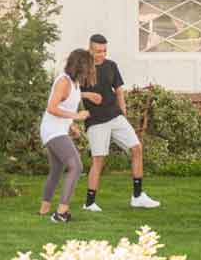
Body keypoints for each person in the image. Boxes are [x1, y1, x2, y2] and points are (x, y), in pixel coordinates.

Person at [82, 34, 160, 211]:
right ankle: (89, 203)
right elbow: (69, 92)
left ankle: (138, 196)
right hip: (95, 121)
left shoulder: (111, 66)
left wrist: (123, 112)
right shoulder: (81, 68)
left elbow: (118, 90)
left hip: (115, 116)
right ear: (90, 49)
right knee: (99, 159)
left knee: (136, 148)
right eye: (98, 51)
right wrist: (86, 95)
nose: (101, 54)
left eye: (104, 51)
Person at [40, 49, 95, 223]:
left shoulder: (75, 84)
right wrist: (76, 117)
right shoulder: (64, 82)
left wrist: (71, 127)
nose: (90, 70)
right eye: (89, 66)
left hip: (59, 130)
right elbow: (52, 108)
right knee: (76, 166)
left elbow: (65, 107)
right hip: (52, 130)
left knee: (56, 170)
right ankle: (61, 213)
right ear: (80, 65)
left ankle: (44, 209)